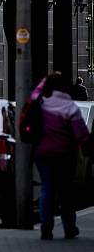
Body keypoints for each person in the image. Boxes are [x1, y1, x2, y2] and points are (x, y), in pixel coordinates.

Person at [31, 73, 90, 240]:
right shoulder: (70, 107)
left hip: (42, 153)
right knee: (66, 192)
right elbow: (81, 135)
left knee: (46, 190)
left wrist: (45, 81)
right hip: (64, 156)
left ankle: (46, 228)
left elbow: (35, 92)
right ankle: (69, 228)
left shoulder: (40, 102)